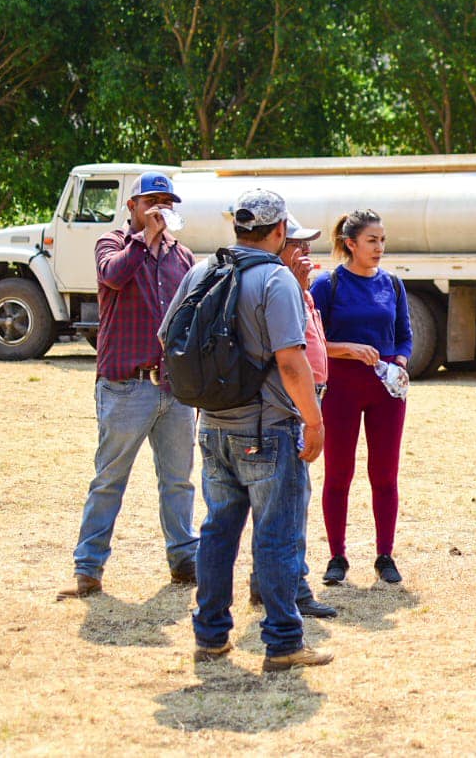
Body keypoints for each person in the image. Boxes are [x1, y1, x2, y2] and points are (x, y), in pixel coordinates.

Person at [163, 189, 331, 672]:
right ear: (279, 232)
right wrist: (314, 421)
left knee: (217, 533)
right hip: (269, 429)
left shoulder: (200, 271)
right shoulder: (276, 280)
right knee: (277, 537)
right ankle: (282, 643)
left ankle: (211, 636)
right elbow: (292, 362)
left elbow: (167, 337)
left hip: (212, 427)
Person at [58, 171, 198, 600]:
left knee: (178, 481)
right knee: (109, 479)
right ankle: (88, 568)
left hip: (172, 390)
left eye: (167, 202)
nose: (161, 209)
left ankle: (184, 560)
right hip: (125, 386)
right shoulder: (113, 244)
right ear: (132, 206)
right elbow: (113, 276)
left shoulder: (183, 257)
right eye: (152, 201)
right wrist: (144, 241)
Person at [310, 209, 412, 586]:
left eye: (383, 240)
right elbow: (313, 342)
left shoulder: (393, 284)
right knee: (339, 474)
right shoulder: (328, 284)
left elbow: (404, 334)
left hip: (386, 391)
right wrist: (349, 349)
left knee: (384, 474)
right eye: (372, 240)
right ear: (350, 244)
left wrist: (400, 360)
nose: (380, 247)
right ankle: (337, 556)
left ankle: (385, 555)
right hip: (340, 389)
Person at [246, 215, 336, 619]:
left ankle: (272, 583)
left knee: (287, 501)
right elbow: (288, 351)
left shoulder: (299, 289)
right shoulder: (280, 288)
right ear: (278, 244)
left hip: (302, 401)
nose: (306, 253)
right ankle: (290, 587)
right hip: (287, 405)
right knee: (287, 502)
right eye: (297, 245)